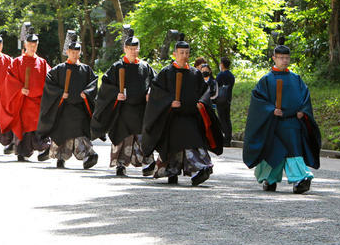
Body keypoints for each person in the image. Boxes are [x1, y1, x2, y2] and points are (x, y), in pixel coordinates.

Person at [142, 34, 224, 186]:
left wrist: (201, 103)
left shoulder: (195, 73)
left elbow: (205, 92)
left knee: (194, 141)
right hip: (171, 118)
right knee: (173, 145)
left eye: (187, 53)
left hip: (190, 116)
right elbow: (156, 93)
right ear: (175, 54)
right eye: (181, 53)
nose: (185, 56)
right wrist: (168, 102)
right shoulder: (166, 73)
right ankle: (171, 171)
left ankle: (200, 170)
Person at [243, 38, 320, 194]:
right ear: (274, 58)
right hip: (274, 124)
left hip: (292, 123)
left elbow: (305, 97)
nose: (284, 61)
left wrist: (303, 111)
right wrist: (271, 109)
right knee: (274, 152)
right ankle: (269, 179)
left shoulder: (296, 79)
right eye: (281, 58)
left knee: (294, 149)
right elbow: (258, 101)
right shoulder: (266, 80)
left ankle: (300, 179)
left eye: (287, 58)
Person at [91, 29, 157, 176]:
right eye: (130, 49)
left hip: (140, 109)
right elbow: (106, 86)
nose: (133, 51)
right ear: (125, 49)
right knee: (122, 136)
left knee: (142, 137)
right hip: (123, 109)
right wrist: (116, 94)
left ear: (139, 49)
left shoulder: (145, 67)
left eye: (135, 49)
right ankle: (120, 164)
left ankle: (149, 162)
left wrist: (150, 92)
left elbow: (156, 83)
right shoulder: (117, 67)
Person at [37, 40, 98, 169]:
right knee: (61, 133)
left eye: (77, 52)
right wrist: (60, 94)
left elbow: (93, 83)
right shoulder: (59, 69)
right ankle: (60, 158)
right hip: (63, 109)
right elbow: (49, 84)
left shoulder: (86, 69)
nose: (75, 55)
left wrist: (86, 93)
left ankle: (88, 156)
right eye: (72, 52)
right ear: (67, 52)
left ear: (80, 53)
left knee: (81, 132)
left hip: (79, 108)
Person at [0, 26, 51, 162]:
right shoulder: (17, 62)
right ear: (25, 45)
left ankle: (43, 148)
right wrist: (19, 89)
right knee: (23, 127)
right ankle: (21, 151)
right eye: (30, 45)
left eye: (35, 45)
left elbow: (49, 80)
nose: (32, 47)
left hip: (37, 102)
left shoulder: (42, 63)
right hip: (21, 101)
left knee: (36, 127)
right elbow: (9, 79)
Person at [216, 57, 235, 146]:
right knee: (227, 118)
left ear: (222, 64)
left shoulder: (220, 75)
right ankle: (228, 138)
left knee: (222, 118)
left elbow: (216, 85)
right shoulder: (231, 75)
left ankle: (225, 139)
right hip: (228, 99)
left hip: (220, 99)